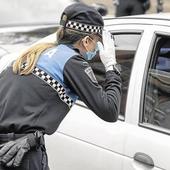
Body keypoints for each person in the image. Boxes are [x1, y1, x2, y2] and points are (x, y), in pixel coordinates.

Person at [0, 2, 121, 170]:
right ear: (86, 40)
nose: (97, 49)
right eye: (97, 43)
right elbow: (110, 111)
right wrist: (111, 66)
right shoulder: (71, 61)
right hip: (19, 155)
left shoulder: (33, 53)